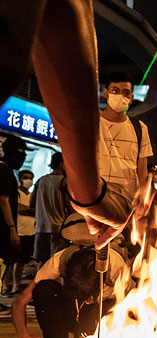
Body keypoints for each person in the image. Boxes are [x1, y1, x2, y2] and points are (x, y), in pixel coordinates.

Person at [0, 2, 131, 247]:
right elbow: (65, 13)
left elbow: (61, 14)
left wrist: (88, 193)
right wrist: (88, 193)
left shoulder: (137, 130)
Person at [12, 245, 127, 338]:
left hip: (99, 314)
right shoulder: (59, 261)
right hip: (71, 312)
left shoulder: (117, 269)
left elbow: (130, 317)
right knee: (44, 288)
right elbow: (19, 302)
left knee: (112, 307)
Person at [99, 73, 153, 204]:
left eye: (126, 93)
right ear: (106, 93)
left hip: (127, 202)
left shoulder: (140, 128)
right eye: (115, 91)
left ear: (131, 98)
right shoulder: (92, 123)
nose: (120, 96)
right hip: (97, 200)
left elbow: (142, 172)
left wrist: (143, 202)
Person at [0, 135, 30, 298]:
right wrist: (12, 230)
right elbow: (3, 200)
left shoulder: (6, 170)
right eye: (21, 152)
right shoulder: (4, 170)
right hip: (3, 229)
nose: (23, 156)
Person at [32, 152, 70, 265]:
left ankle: (39, 282)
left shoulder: (40, 181)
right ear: (61, 164)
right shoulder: (65, 182)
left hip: (41, 228)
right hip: (58, 229)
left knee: (41, 263)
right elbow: (70, 206)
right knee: (55, 264)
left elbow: (32, 203)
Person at [5, 170, 36, 295]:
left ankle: (16, 286)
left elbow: (35, 209)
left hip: (30, 232)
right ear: (20, 179)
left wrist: (27, 210)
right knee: (11, 261)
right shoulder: (15, 193)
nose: (28, 180)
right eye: (25, 178)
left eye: (30, 178)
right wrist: (30, 210)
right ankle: (6, 286)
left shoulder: (31, 195)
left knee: (21, 262)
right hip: (18, 232)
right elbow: (16, 207)